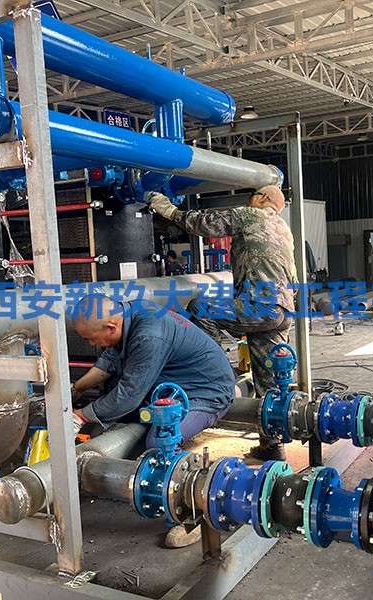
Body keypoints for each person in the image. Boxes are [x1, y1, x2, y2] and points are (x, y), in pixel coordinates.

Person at [70, 294, 235, 547]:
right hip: (171, 386)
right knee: (113, 403)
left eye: (91, 339)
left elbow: (129, 394)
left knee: (159, 443)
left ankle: (194, 510)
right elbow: (109, 362)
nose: (91, 344)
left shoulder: (149, 335)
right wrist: (77, 389)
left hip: (205, 393)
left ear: (111, 327)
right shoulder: (128, 314)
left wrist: (81, 415)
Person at [148, 185, 296, 461]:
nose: (249, 200)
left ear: (263, 198)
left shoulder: (251, 215)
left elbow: (204, 224)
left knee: (201, 308)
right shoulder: (284, 229)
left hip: (258, 306)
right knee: (270, 382)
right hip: (282, 311)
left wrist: (169, 210)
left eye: (252, 196)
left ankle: (212, 381)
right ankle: (272, 446)